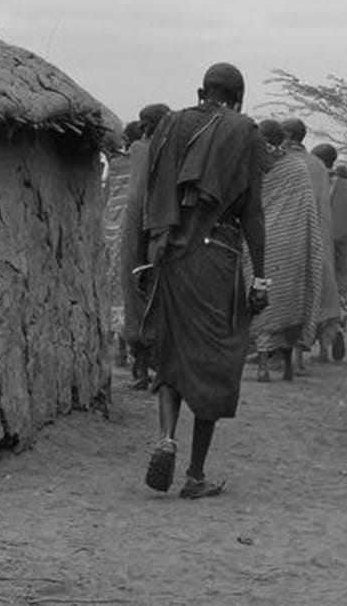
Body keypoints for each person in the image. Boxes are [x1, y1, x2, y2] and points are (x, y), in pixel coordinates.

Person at [136, 63, 268, 499]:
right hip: (218, 257)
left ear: (201, 91)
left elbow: (151, 197)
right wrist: (261, 277)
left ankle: (165, 438)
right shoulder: (244, 131)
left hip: (171, 254)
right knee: (215, 360)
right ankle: (194, 475)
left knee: (173, 351)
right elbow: (252, 211)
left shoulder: (170, 124)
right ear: (239, 98)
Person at [251, 120, 323, 382]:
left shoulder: (255, 166)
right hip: (293, 243)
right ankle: (289, 367)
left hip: (262, 243)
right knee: (290, 300)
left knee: (263, 298)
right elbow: (308, 212)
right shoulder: (298, 166)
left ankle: (262, 365)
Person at [282, 120, 340, 370]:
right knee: (313, 293)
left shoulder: (281, 163)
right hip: (316, 240)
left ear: (287, 135)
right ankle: (312, 353)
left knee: (289, 296)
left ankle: (286, 356)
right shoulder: (317, 165)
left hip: (289, 239)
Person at [120, 103, 169, 391]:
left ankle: (140, 368)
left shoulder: (137, 149)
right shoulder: (169, 152)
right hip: (159, 229)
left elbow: (136, 196)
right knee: (160, 298)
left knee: (135, 298)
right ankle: (159, 370)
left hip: (134, 230)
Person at [326, 162, 347, 361]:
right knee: (344, 287)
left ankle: (324, 342)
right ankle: (340, 324)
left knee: (325, 288)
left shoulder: (326, 183)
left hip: (327, 240)